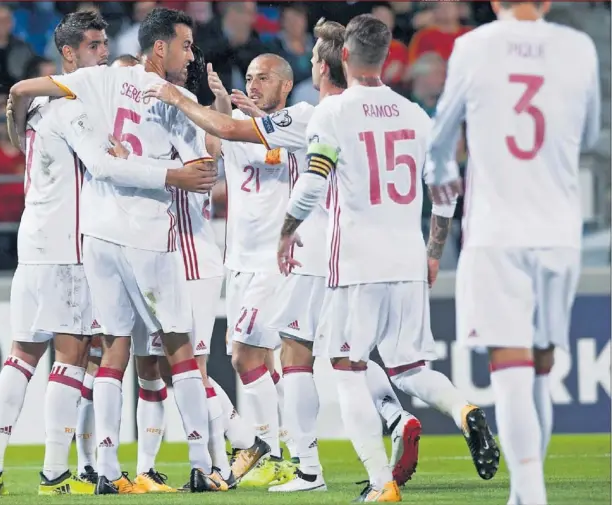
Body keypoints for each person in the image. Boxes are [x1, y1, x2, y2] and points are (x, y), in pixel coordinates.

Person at [144, 18, 425, 492]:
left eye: (266, 76)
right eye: (250, 76)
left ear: (290, 82)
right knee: (302, 354)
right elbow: (220, 139)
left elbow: (233, 132)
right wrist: (215, 105)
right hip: (246, 261)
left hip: (283, 259)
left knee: (261, 355)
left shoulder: (305, 117)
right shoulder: (259, 124)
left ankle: (281, 452)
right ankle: (387, 417)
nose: (254, 82)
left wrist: (181, 98)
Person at [276, 14, 500, 502]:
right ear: (388, 57)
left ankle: (381, 484)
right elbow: (445, 193)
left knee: (346, 365)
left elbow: (313, 182)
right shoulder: (417, 115)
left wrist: (286, 231)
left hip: (356, 262)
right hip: (408, 259)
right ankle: (465, 411)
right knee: (409, 368)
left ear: (347, 57)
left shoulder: (332, 113)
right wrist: (434, 253)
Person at [7, 7, 224, 494]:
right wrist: (173, 169)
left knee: (113, 349)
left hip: (98, 237)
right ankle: (198, 462)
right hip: (148, 234)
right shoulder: (178, 98)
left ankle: (106, 469)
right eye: (186, 46)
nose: (191, 56)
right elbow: (203, 172)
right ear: (160, 48)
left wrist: (14, 112)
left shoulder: (98, 78)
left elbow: (27, 90)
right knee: (179, 346)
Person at [426, 2, 600, 503]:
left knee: (512, 367)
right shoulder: (580, 47)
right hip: (560, 229)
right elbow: (588, 135)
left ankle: (531, 494)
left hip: (498, 229)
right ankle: (524, 494)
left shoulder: (474, 47)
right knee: (540, 366)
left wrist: (442, 178)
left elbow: (440, 136)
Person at [0, 11, 110, 496]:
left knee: (21, 355)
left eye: (104, 42)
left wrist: (18, 95)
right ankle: (56, 472)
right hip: (66, 247)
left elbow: (16, 119)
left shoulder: (36, 107)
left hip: (30, 243)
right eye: (94, 45)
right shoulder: (73, 105)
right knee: (72, 356)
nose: (104, 52)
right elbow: (105, 165)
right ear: (69, 54)